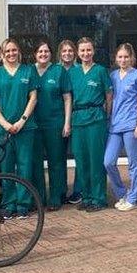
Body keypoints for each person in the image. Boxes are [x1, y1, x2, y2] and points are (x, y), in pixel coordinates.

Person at [0, 38, 40, 218]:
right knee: (6, 167)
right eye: (7, 51)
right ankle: (9, 203)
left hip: (25, 128)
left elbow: (33, 97)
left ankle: (23, 204)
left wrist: (22, 121)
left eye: (14, 50)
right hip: (3, 129)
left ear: (19, 52)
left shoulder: (28, 71)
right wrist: (4, 123)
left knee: (25, 167)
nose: (11, 54)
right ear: (3, 54)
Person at [67, 37, 112, 212]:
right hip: (78, 119)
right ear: (78, 53)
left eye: (88, 50)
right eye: (82, 50)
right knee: (81, 159)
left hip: (95, 118)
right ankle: (86, 196)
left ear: (93, 51)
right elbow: (68, 97)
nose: (86, 53)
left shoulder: (100, 71)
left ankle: (98, 198)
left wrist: (106, 117)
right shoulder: (73, 73)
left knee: (96, 160)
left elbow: (108, 95)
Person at [104, 43, 137, 212]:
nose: (123, 60)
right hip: (115, 125)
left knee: (133, 164)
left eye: (126, 57)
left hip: (131, 125)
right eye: (120, 57)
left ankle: (134, 198)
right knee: (108, 162)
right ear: (116, 58)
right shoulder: (113, 76)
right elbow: (110, 99)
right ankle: (122, 193)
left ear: (132, 58)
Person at [33, 40, 72, 211]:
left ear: (51, 53)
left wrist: (67, 122)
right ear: (35, 54)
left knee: (56, 161)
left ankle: (56, 197)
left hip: (55, 123)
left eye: (46, 51)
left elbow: (67, 98)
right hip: (34, 124)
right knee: (36, 162)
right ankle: (39, 197)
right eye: (40, 52)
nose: (43, 54)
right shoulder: (29, 71)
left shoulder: (59, 71)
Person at [57, 39, 83, 205]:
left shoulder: (80, 70)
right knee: (59, 157)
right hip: (58, 118)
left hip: (78, 118)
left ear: (75, 53)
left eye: (70, 51)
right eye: (64, 51)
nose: (67, 54)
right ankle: (60, 190)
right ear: (60, 53)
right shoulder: (55, 71)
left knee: (79, 155)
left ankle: (79, 190)